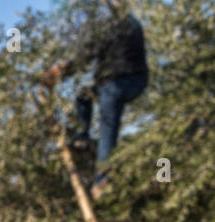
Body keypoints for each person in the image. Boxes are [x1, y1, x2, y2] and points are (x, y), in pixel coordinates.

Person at [40, 0, 148, 201]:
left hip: (124, 81)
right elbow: (88, 54)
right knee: (84, 94)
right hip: (123, 81)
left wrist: (57, 73)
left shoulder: (117, 24)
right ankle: (82, 137)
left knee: (108, 120)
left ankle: (102, 180)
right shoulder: (123, 23)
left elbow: (84, 57)